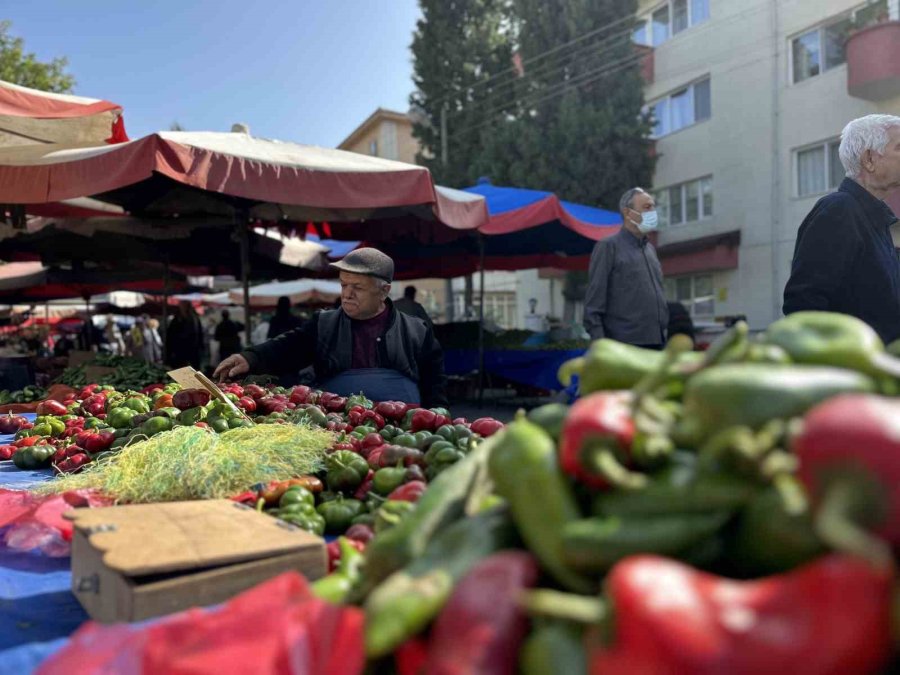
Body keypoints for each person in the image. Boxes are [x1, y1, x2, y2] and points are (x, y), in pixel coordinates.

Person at [214, 248, 448, 407]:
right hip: (341, 428)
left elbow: (435, 384)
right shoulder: (324, 324)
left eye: (357, 287)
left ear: (384, 291)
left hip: (403, 432)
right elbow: (287, 348)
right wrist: (250, 358)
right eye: (344, 285)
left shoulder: (417, 331)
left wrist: (438, 419)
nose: (347, 294)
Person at [783, 114, 900, 343]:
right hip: (853, 362)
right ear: (869, 159)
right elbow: (804, 305)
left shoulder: (876, 221)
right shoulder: (839, 211)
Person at [583, 187, 669, 348]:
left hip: (657, 343)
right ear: (628, 213)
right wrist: (601, 346)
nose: (653, 212)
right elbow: (593, 305)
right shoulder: (608, 247)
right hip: (624, 346)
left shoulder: (650, 250)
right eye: (647, 207)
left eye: (653, 207)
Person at [167, 301, 204, 369]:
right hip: (179, 350)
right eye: (182, 305)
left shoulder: (194, 318)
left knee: (194, 369)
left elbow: (199, 333)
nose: (183, 307)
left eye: (184, 305)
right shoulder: (176, 319)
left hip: (193, 349)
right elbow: (170, 336)